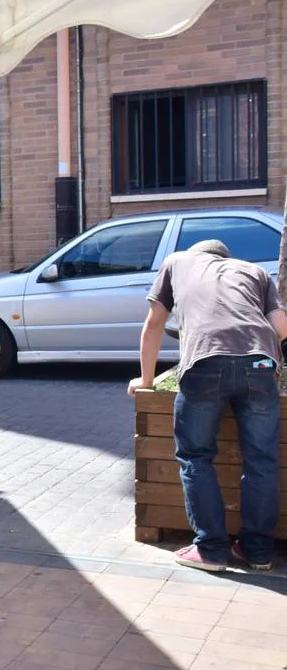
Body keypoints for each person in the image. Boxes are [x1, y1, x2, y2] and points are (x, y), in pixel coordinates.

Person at [128, 239, 287, 572]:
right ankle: (258, 551)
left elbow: (154, 323)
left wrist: (145, 381)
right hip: (260, 364)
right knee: (262, 461)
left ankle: (211, 549)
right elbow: (282, 329)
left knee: (195, 455)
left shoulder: (178, 262)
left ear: (197, 255)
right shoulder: (256, 271)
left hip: (205, 361)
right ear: (226, 259)